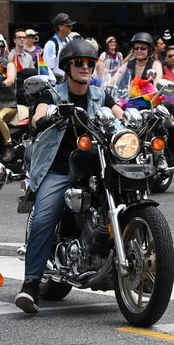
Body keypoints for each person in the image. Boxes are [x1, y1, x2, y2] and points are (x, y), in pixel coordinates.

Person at [15, 40, 123, 314]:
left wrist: (138, 119)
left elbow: (119, 115)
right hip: (60, 169)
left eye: (89, 63)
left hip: (96, 168)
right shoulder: (52, 95)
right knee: (42, 220)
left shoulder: (101, 95)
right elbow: (37, 117)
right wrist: (46, 117)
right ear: (67, 66)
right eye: (79, 63)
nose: (85, 67)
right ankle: (30, 284)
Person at [44, 13, 74, 83]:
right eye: (68, 25)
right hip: (57, 85)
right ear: (60, 27)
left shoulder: (69, 41)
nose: (71, 27)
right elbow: (48, 69)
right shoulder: (51, 44)